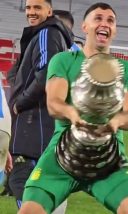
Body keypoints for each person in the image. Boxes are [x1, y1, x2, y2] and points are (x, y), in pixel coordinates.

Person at [18, 3, 128, 214]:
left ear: (114, 31)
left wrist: (114, 122)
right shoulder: (63, 61)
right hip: (60, 157)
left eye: (110, 21)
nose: (104, 24)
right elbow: (54, 103)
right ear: (85, 27)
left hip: (109, 160)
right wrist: (73, 114)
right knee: (29, 211)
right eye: (98, 18)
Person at [6, 0, 73, 211]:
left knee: (22, 179)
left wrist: (20, 104)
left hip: (34, 126)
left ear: (49, 11)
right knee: (38, 184)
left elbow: (45, 75)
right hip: (41, 125)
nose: (31, 12)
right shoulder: (48, 35)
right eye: (28, 8)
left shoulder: (47, 33)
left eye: (37, 8)